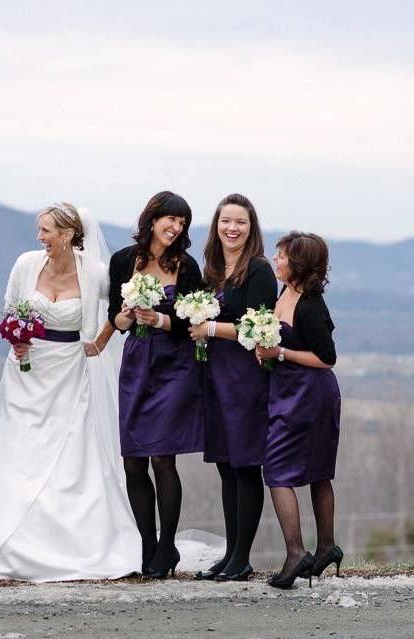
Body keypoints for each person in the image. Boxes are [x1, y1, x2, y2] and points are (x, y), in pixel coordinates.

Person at [0, 202, 140, 581]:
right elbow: (10, 311)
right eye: (39, 230)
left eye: (47, 231)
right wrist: (16, 339)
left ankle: (75, 545)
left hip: (71, 370)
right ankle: (3, 541)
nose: (39, 238)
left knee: (73, 454)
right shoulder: (26, 264)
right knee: (17, 451)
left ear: (69, 234)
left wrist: (103, 340)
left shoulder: (94, 273)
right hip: (26, 372)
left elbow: (117, 312)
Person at [109, 192, 204, 579]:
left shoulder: (186, 265)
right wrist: (128, 316)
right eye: (171, 219)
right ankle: (148, 545)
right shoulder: (122, 261)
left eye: (182, 222)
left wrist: (161, 320)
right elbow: (113, 322)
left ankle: (167, 549)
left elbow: (193, 321)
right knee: (134, 461)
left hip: (175, 366)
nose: (176, 227)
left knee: (164, 457)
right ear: (152, 218)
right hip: (137, 362)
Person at [189, 193, 277, 582]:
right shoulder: (210, 270)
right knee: (225, 466)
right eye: (226, 221)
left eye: (240, 222)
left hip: (245, 378)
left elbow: (256, 327)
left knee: (245, 466)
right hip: (213, 375)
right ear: (216, 225)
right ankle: (229, 555)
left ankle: (242, 557)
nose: (232, 228)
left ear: (251, 227)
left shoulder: (258, 270)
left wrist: (208, 328)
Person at [256, 232, 342, 589]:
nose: (276, 261)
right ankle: (326, 548)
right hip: (289, 391)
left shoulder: (310, 305)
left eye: (281, 256)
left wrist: (281, 354)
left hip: (310, 396)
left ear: (298, 263)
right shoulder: (284, 293)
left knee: (277, 471)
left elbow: (326, 359)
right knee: (316, 472)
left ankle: (296, 553)